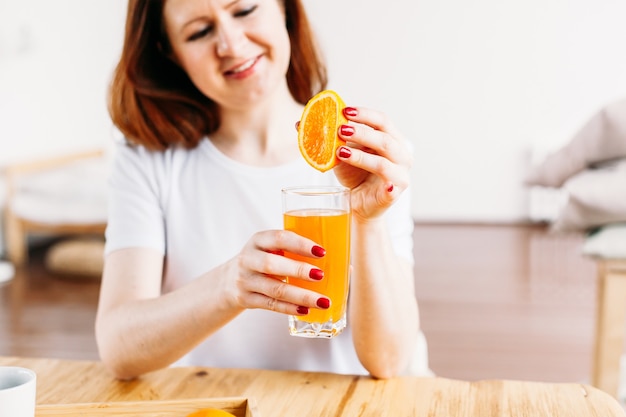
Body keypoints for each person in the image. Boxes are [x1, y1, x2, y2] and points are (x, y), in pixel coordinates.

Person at [95, 0, 419, 380]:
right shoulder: (146, 160)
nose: (231, 44)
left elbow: (390, 361)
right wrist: (227, 287)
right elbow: (118, 348)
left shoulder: (363, 156)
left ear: (285, 9)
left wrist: (368, 221)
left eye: (245, 9)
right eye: (199, 32)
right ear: (170, 53)